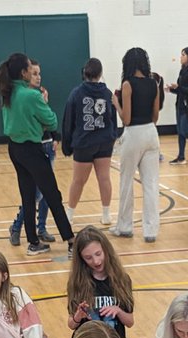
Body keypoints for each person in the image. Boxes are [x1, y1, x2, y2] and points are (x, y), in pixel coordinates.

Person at [0, 52, 75, 256]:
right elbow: (52, 121)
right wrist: (44, 103)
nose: (33, 72)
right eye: (30, 69)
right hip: (31, 149)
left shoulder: (8, 92)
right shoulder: (31, 95)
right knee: (52, 194)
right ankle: (71, 240)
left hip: (14, 149)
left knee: (28, 195)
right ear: (23, 72)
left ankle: (33, 241)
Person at [66, 225, 145, 338]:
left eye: (98, 254)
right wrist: (78, 316)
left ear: (106, 250)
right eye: (88, 258)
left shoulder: (122, 279)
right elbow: (71, 324)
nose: (95, 261)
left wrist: (118, 311)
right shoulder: (77, 283)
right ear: (81, 259)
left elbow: (129, 321)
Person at [112, 47, 161, 243]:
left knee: (126, 181)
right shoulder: (154, 84)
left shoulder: (127, 85)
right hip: (151, 132)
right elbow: (156, 116)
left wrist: (116, 103)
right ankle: (150, 231)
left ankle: (125, 226)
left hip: (133, 135)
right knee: (150, 184)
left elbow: (127, 119)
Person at [7, 59, 56, 247]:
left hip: (47, 145)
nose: (38, 77)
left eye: (39, 74)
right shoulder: (23, 97)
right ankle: (17, 226)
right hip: (32, 148)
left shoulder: (40, 95)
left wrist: (54, 137)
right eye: (34, 73)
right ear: (24, 75)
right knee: (33, 194)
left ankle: (41, 227)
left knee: (46, 193)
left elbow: (49, 122)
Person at [62, 58, 117, 223]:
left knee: (78, 181)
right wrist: (112, 137)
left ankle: (70, 215)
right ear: (100, 74)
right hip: (104, 140)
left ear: (84, 73)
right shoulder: (107, 93)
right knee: (104, 178)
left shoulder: (77, 93)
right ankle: (106, 214)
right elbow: (112, 119)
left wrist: (67, 144)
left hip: (84, 142)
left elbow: (68, 120)